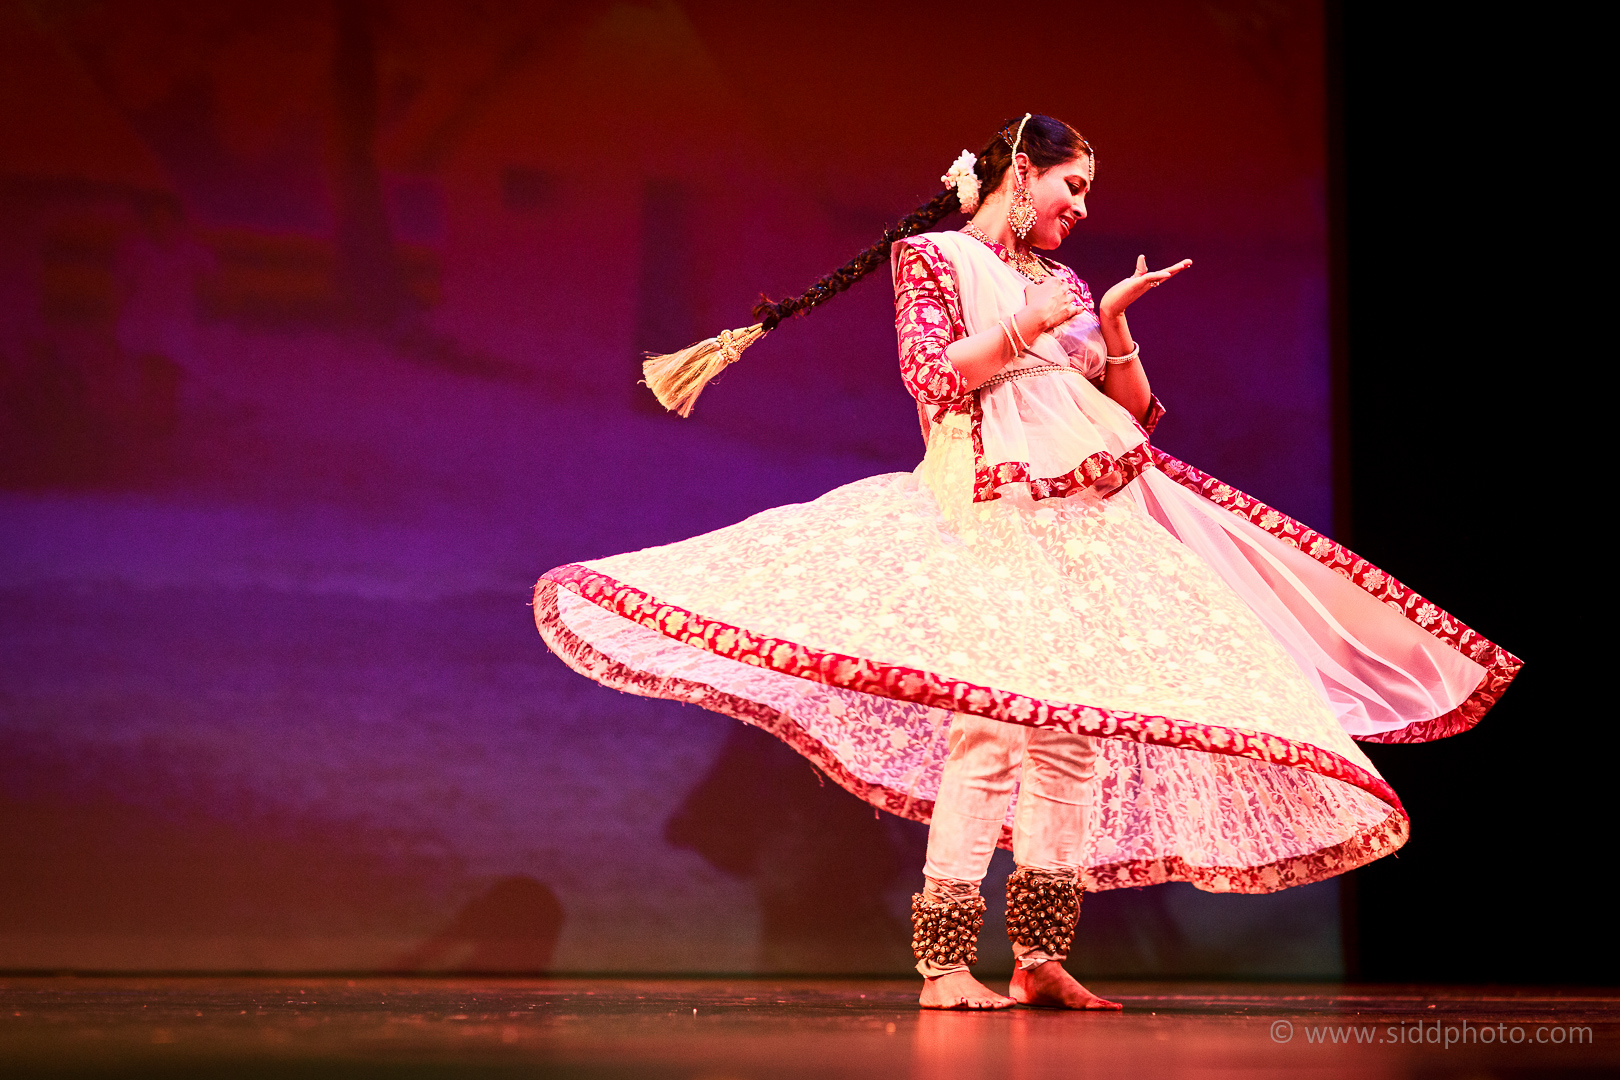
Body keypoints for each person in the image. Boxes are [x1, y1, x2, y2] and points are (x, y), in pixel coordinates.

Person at [532, 114, 1519, 1010]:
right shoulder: (934, 259)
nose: (1081, 209)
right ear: (1020, 173)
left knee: (1071, 739)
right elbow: (933, 378)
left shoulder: (1067, 285)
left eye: (1088, 194)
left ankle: (1039, 956)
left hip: (1084, 523)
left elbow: (1121, 422)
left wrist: (1116, 323)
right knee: (990, 737)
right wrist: (1025, 325)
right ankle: (944, 966)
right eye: (1072, 186)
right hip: (991, 508)